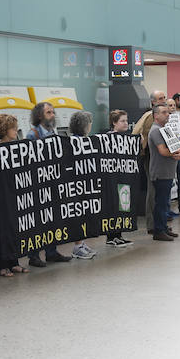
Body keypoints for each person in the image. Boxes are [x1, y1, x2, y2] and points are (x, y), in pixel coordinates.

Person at [25, 102, 72, 266]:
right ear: (39, 116)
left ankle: (52, 252)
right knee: (38, 221)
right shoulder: (32, 135)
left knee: (53, 219)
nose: (52, 115)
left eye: (53, 112)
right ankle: (34, 255)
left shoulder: (53, 132)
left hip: (53, 182)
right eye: (48, 112)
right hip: (39, 184)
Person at [0, 114, 28, 277]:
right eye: (13, 128)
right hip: (0, 194)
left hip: (13, 192)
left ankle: (14, 262)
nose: (16, 130)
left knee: (14, 227)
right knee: (1, 228)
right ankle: (2, 265)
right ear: (5, 130)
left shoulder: (16, 146)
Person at [147, 103, 180, 241]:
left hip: (167, 172)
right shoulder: (156, 130)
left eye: (168, 112)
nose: (167, 114)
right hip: (160, 172)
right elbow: (163, 151)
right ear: (156, 115)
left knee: (165, 203)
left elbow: (177, 148)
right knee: (161, 203)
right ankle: (159, 230)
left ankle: (163, 227)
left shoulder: (165, 129)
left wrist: (179, 154)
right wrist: (176, 154)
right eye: (164, 112)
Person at [132, 90, 166, 235]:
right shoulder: (148, 116)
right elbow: (136, 132)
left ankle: (160, 222)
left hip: (162, 157)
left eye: (164, 97)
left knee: (161, 192)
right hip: (151, 156)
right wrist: (143, 146)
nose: (163, 100)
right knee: (153, 190)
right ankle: (152, 224)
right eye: (160, 98)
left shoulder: (165, 116)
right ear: (153, 102)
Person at [68, 110, 97, 260]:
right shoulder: (75, 142)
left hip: (84, 184)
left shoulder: (83, 140)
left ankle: (81, 243)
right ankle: (77, 246)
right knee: (77, 216)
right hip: (75, 186)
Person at [103, 110, 133, 247]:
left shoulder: (126, 138)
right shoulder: (108, 138)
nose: (126, 123)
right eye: (122, 121)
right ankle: (111, 236)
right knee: (113, 207)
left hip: (123, 179)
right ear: (114, 123)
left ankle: (119, 234)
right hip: (112, 179)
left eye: (126, 120)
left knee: (123, 206)